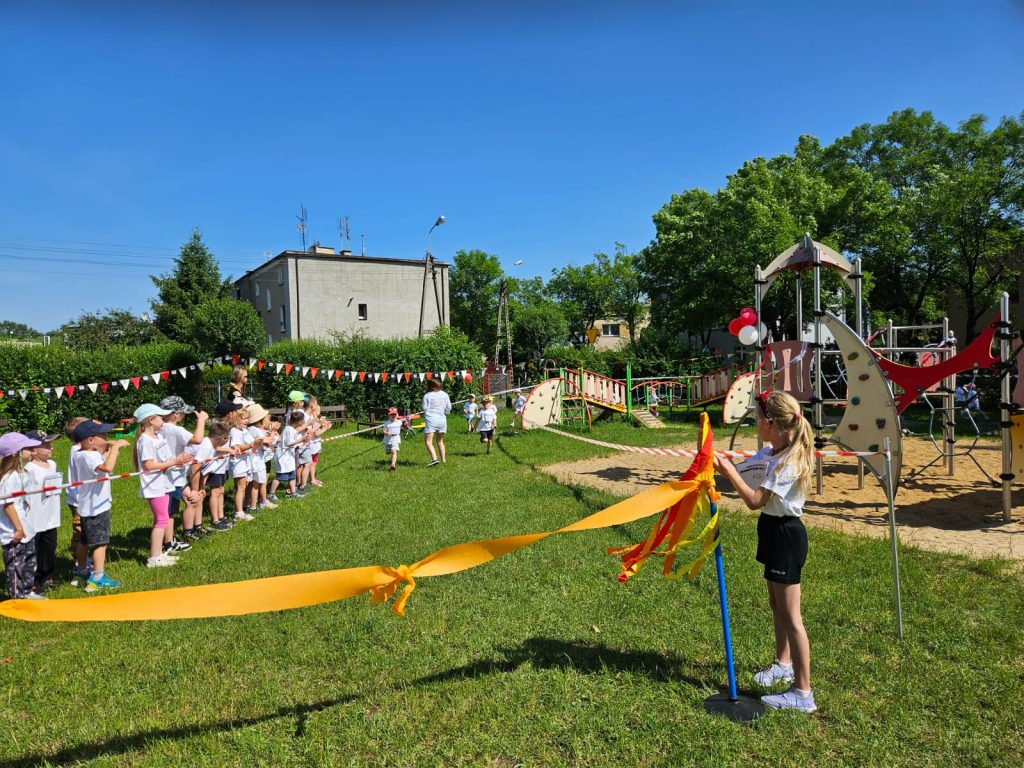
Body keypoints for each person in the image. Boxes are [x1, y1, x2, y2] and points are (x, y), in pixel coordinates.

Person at [713, 389, 817, 713]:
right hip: (771, 531)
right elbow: (744, 471)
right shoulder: (771, 452)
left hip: (786, 535)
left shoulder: (789, 462)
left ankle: (803, 694)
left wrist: (729, 472)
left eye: (757, 419)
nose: (755, 424)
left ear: (770, 423)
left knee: (791, 617)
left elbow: (755, 500)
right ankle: (783, 664)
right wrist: (718, 465)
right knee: (776, 605)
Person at [71, 420, 130, 592]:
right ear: (91, 440)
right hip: (97, 507)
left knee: (84, 540)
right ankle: (97, 578)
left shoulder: (81, 453)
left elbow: (99, 466)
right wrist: (116, 447)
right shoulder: (90, 456)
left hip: (86, 506)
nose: (106, 437)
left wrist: (109, 451)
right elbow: (107, 467)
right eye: (103, 435)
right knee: (100, 543)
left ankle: (81, 571)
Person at [134, 403, 191, 568]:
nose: (163, 420)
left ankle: (159, 554)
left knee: (163, 518)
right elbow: (148, 465)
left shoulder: (158, 437)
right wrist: (174, 462)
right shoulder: (145, 440)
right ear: (151, 420)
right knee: (161, 520)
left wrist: (177, 462)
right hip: (154, 485)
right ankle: (154, 558)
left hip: (164, 483)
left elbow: (164, 460)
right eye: (160, 417)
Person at [158, 396, 208, 544]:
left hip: (174, 474)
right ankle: (168, 542)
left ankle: (187, 532)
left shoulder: (160, 428)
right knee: (170, 512)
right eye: (183, 412)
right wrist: (201, 420)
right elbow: (197, 439)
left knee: (189, 500)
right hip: (172, 476)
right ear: (176, 414)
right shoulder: (174, 429)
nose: (184, 415)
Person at [0, 432, 44, 600]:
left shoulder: (21, 473)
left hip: (26, 528)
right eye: (27, 448)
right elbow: (8, 505)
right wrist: (18, 529)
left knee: (29, 562)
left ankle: (27, 591)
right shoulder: (9, 478)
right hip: (14, 531)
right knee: (16, 565)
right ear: (15, 453)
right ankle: (17, 597)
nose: (32, 451)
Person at [22, 430, 63, 592]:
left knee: (49, 546)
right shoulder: (29, 469)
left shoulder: (52, 465)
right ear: (33, 450)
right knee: (34, 549)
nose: (51, 448)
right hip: (34, 517)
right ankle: (32, 579)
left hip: (51, 515)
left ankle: (46, 576)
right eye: (46, 445)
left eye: (50, 444)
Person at [64, 416, 91, 585]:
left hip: (84, 498)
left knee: (87, 532)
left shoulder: (81, 449)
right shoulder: (77, 451)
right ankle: (78, 565)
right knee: (80, 532)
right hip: (78, 499)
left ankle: (85, 560)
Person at [193, 420, 234, 532]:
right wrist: (196, 488)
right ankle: (195, 528)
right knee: (195, 498)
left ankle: (198, 526)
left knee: (200, 497)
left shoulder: (211, 446)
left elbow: (206, 469)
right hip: (190, 475)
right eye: (228, 438)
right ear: (222, 439)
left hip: (199, 474)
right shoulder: (206, 446)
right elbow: (195, 467)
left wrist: (202, 487)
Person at [246, 403, 277, 510]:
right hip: (256, 461)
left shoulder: (255, 429)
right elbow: (268, 442)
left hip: (258, 459)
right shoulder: (254, 430)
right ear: (260, 420)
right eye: (266, 418)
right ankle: (254, 505)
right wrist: (273, 431)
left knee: (258, 483)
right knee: (256, 484)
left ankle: (256, 502)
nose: (269, 420)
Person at [270, 411, 307, 499]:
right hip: (283, 457)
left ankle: (293, 493)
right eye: (302, 420)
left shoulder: (292, 430)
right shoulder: (288, 429)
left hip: (289, 457)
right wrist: (302, 439)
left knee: (292, 476)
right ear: (299, 421)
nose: (303, 422)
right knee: (280, 477)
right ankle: (271, 494)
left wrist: (303, 441)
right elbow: (289, 444)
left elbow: (294, 442)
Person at [422, 378, 452, 466]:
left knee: (428, 442)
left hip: (431, 419)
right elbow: (449, 408)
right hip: (442, 420)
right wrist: (445, 412)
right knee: (439, 441)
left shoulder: (427, 395)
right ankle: (444, 461)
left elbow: (424, 408)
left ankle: (434, 459)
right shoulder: (445, 394)